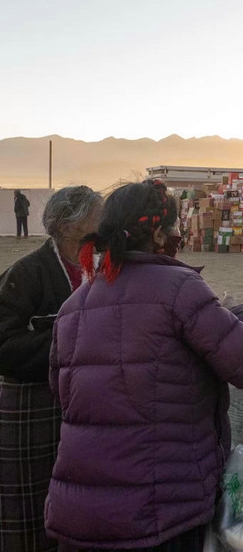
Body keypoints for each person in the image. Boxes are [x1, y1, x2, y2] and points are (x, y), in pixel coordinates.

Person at [44, 179, 243, 551]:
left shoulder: (74, 305)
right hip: (160, 514)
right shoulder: (180, 287)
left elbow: (63, 393)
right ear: (156, 231)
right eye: (175, 227)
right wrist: (242, 312)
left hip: (81, 515)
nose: (178, 236)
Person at [0, 185, 103, 552]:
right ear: (63, 225)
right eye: (92, 223)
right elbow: (4, 347)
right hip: (33, 415)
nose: (99, 231)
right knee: (31, 516)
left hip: (80, 413)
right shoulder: (25, 275)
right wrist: (70, 344)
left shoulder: (100, 267)